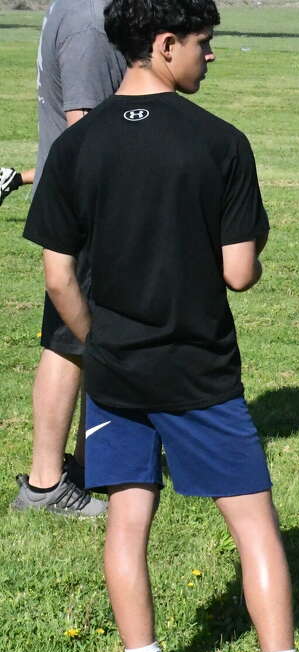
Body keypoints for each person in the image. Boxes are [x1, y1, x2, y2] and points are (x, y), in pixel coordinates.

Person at [24, 0, 299, 652]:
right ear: (164, 45)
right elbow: (239, 273)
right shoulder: (220, 143)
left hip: (114, 372)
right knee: (254, 523)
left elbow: (57, 276)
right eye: (204, 43)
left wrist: (97, 340)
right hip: (199, 370)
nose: (210, 56)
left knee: (127, 521)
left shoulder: (78, 145)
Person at [10, 0, 127, 518]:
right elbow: (85, 129)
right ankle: (44, 485)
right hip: (83, 211)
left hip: (78, 207)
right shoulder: (89, 22)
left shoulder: (77, 8)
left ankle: (84, 466)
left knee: (84, 337)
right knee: (67, 342)